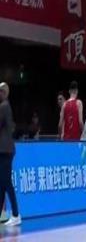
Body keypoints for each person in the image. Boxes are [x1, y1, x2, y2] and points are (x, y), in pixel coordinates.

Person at [0, 83, 20, 226]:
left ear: (4, 92)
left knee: (6, 182)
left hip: (5, 150)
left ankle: (16, 214)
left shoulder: (3, 106)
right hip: (5, 150)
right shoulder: (6, 106)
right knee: (2, 183)